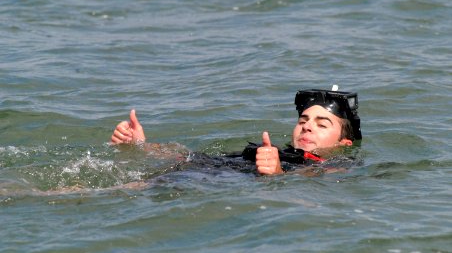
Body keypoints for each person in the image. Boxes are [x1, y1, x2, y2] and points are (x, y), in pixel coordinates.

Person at [111, 87, 362, 176]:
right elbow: (191, 156)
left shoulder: (332, 166)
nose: (307, 125)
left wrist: (276, 174)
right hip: (198, 171)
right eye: (303, 120)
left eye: (322, 124)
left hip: (205, 186)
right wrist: (141, 145)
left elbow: (308, 187)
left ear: (345, 143)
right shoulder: (276, 152)